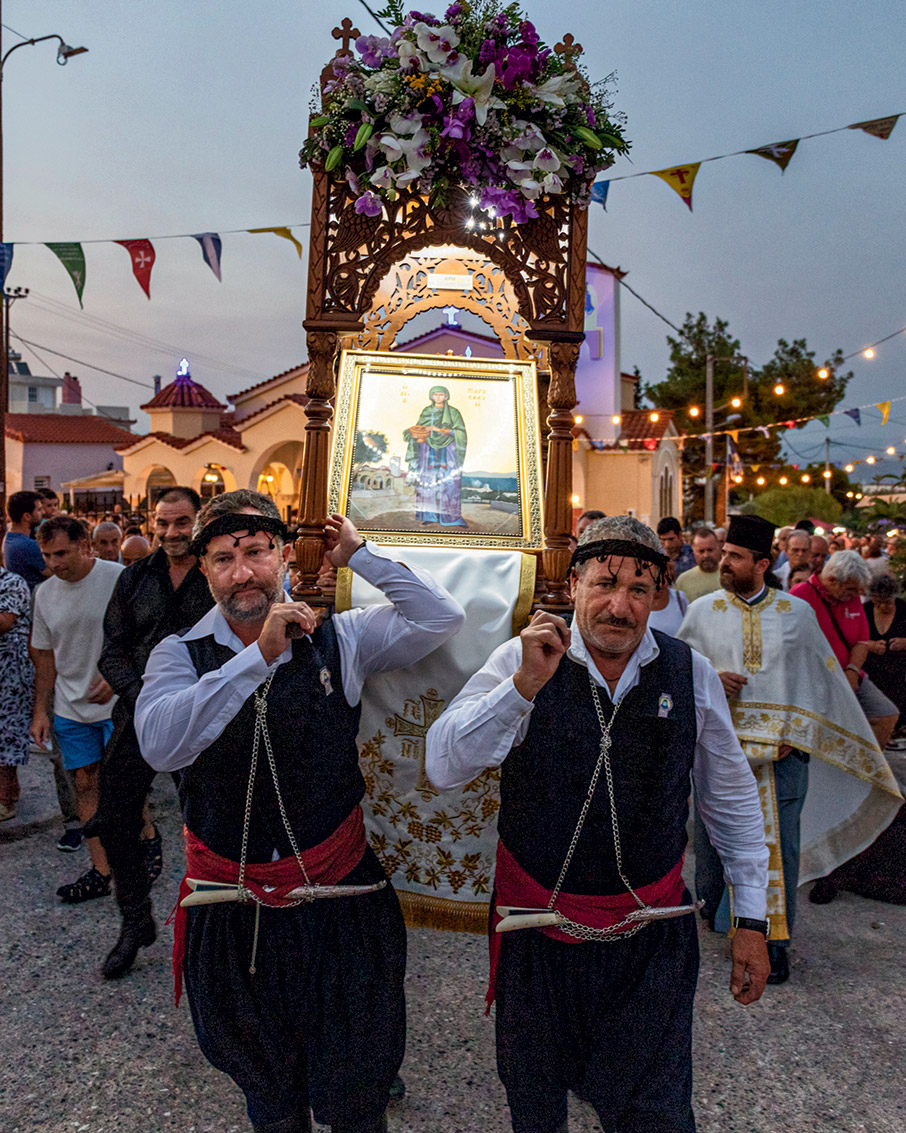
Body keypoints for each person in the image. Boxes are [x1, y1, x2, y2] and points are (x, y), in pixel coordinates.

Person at [134, 490, 465, 1133]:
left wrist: (359, 556)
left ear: (284, 556)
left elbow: (438, 618)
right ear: (205, 570)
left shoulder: (340, 636)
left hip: (342, 898)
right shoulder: (179, 653)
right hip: (232, 908)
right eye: (224, 558)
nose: (242, 571)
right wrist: (257, 657)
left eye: (256, 552)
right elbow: (160, 742)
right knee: (271, 1097)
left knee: (355, 1096)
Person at [427, 515, 770, 1133]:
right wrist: (524, 685)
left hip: (650, 938)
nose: (620, 605)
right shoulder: (522, 658)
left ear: (658, 596)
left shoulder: (687, 671)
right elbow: (444, 763)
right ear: (574, 585)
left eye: (639, 589)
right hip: (539, 934)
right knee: (536, 1105)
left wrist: (751, 919)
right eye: (606, 583)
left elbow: (732, 797)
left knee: (655, 1114)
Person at [678, 516, 899, 985]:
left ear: (761, 563)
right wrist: (711, 682)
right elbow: (679, 676)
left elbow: (820, 684)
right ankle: (724, 924)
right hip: (722, 755)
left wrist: (796, 737)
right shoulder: (700, 612)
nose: (725, 561)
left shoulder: (797, 615)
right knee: (717, 846)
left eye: (736, 556)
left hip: (781, 758)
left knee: (779, 853)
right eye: (725, 552)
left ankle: (775, 944)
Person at [88, 487, 214, 980]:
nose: (171, 533)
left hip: (206, 715)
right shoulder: (135, 578)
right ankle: (134, 918)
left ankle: (211, 931)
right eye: (163, 523)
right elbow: (111, 650)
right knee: (115, 816)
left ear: (198, 521)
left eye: (181, 522)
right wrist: (143, 697)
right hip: (140, 711)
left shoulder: (218, 571)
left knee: (209, 822)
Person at [30, 516, 123, 902]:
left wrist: (122, 677)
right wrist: (40, 711)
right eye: (47, 555)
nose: (55, 562)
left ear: (85, 545)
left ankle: (139, 853)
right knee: (85, 784)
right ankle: (101, 870)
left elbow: (143, 638)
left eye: (62, 553)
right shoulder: (45, 594)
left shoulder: (118, 578)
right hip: (71, 705)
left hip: (119, 703)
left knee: (123, 786)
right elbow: (46, 657)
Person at [791, 551, 900, 752]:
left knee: (886, 714)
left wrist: (852, 671)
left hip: (849, 673)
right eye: (851, 589)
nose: (856, 594)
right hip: (815, 681)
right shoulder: (800, 596)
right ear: (832, 580)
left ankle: (868, 770)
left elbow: (861, 641)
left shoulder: (850, 597)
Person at [403, 384, 468, 528]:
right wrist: (414, 433)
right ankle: (429, 515)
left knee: (450, 482)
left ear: (446, 397)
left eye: (441, 395)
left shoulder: (454, 413)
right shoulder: (427, 411)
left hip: (448, 449)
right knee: (428, 481)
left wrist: (439, 430)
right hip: (428, 449)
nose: (438, 397)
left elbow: (460, 432)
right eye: (435, 395)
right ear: (431, 396)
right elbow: (419, 428)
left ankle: (451, 517)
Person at [0, 565, 33, 821]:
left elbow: (4, 622)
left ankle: (6, 797)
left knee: (7, 733)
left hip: (10, 668)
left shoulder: (12, 581)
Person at [3, 490, 51, 591]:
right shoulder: (27, 545)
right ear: (27, 516)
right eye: (39, 510)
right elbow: (56, 573)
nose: (43, 512)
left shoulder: (9, 538)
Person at [675, 527, 723, 602]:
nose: (706, 555)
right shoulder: (683, 581)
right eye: (701, 551)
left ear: (719, 548)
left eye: (710, 550)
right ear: (694, 552)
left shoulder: (731, 577)